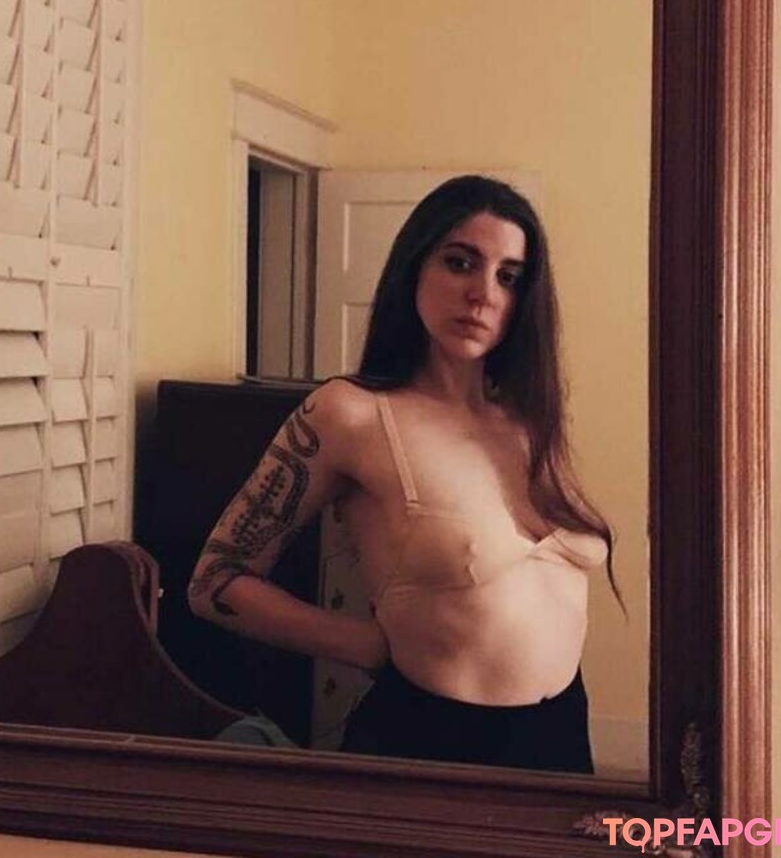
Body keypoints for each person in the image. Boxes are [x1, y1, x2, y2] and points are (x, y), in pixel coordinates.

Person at [188, 175, 616, 772]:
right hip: (433, 739)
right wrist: (363, 644)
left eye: (510, 277)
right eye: (460, 262)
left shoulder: (530, 415)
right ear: (414, 267)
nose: (482, 294)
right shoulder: (350, 413)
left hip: (562, 733)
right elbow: (214, 582)